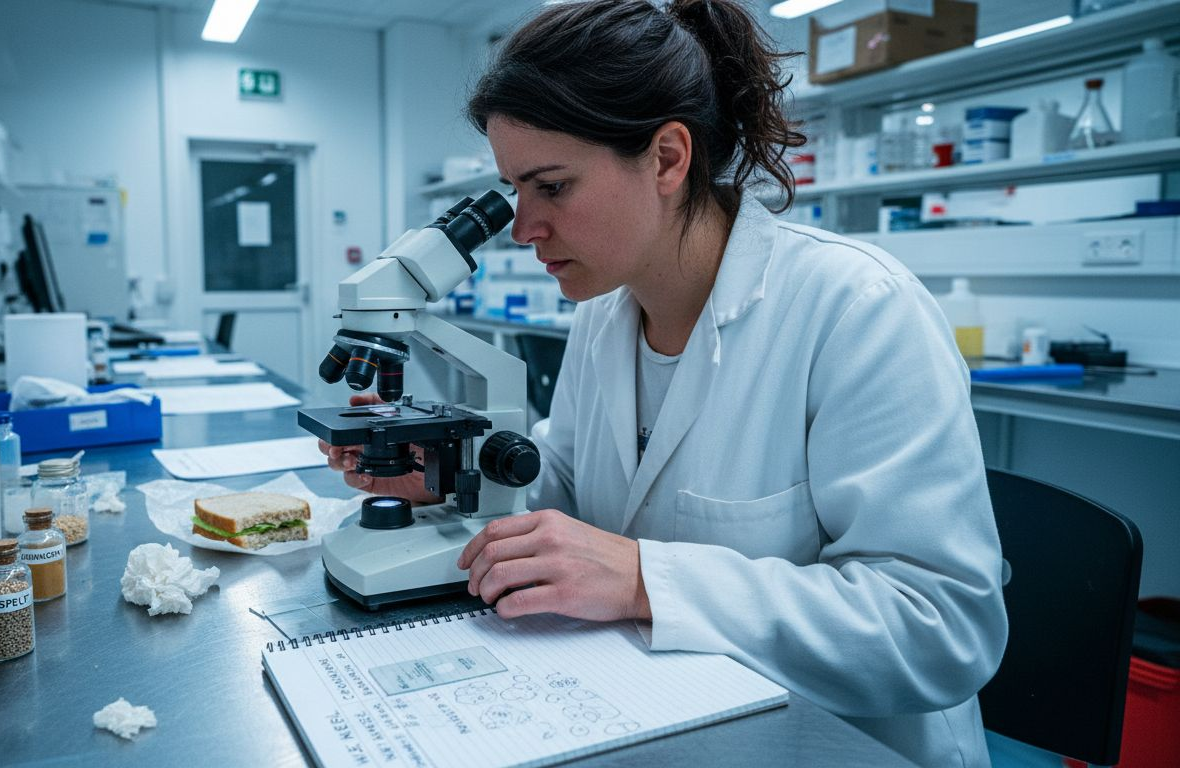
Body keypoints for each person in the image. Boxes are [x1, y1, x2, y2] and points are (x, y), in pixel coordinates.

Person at [322, 1, 1008, 765]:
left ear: (668, 159)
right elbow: (571, 490)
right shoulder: (605, 315)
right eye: (515, 190)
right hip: (664, 714)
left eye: (551, 186)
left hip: (837, 744)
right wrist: (445, 477)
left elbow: (940, 628)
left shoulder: (856, 310)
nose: (522, 228)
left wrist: (649, 580)